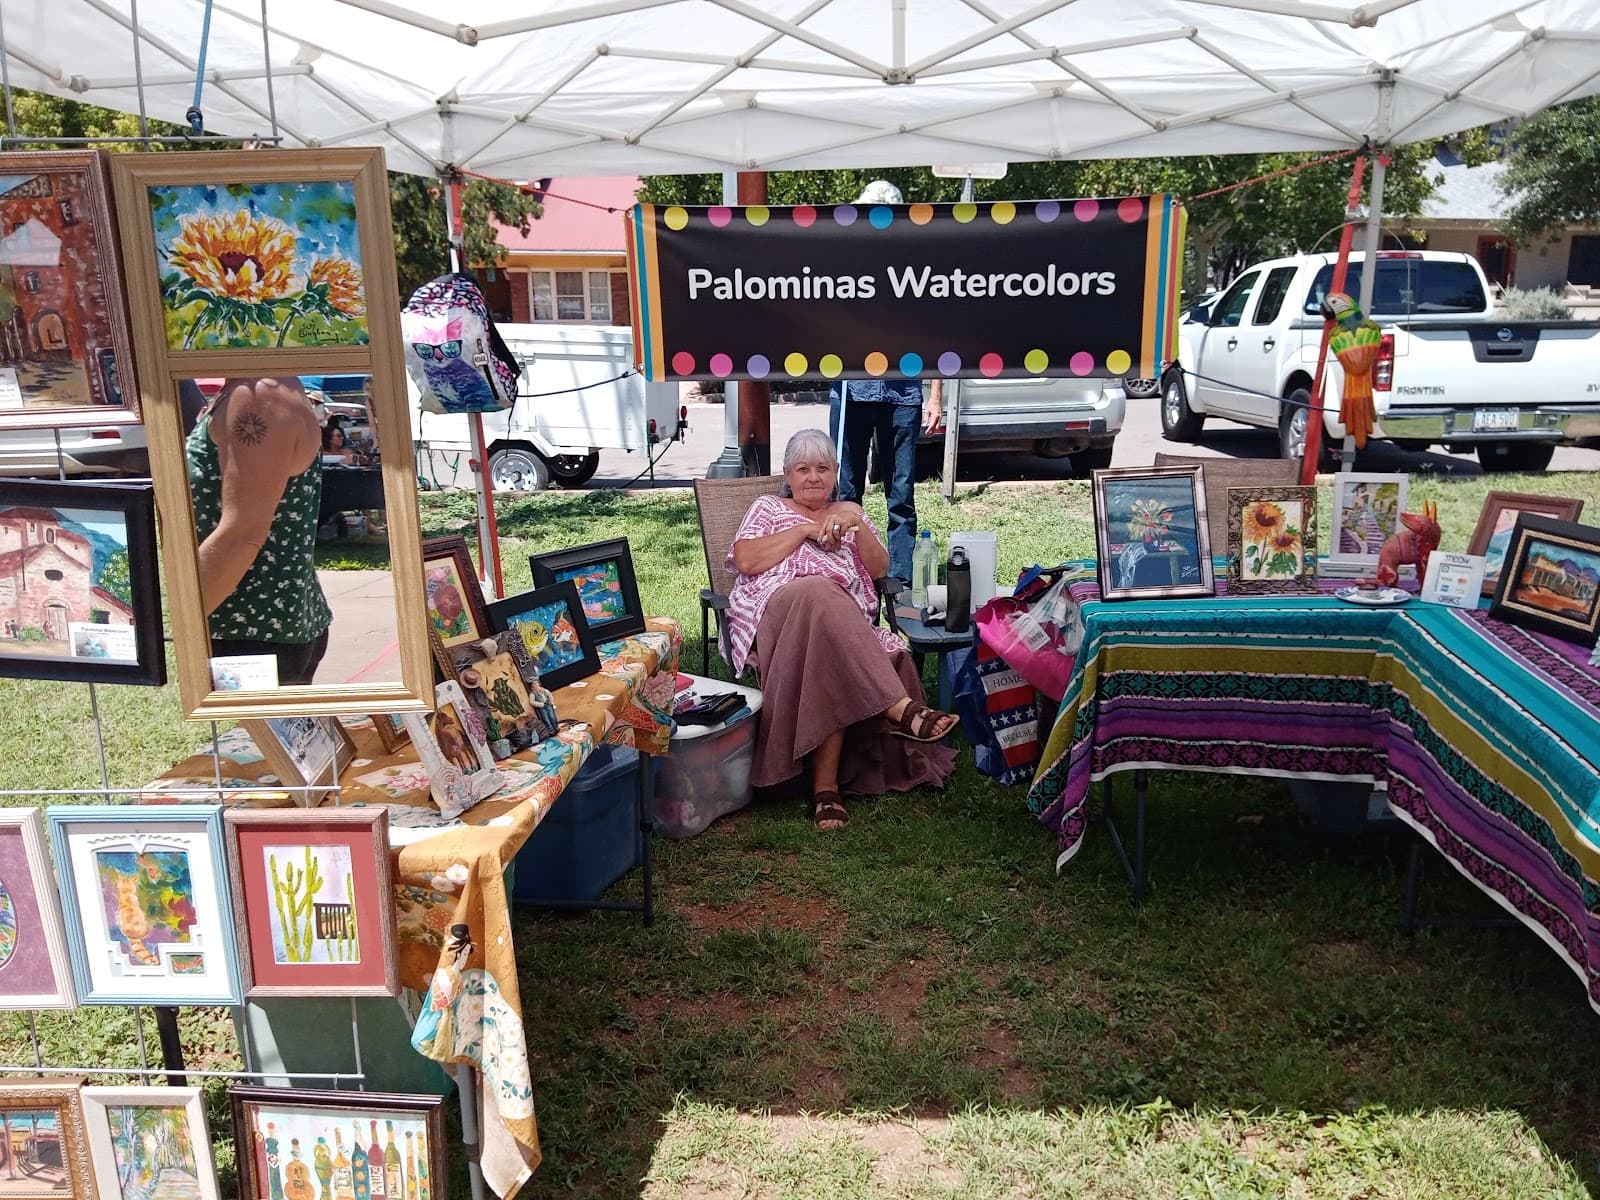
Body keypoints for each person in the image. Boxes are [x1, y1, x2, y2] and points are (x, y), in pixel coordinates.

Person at [726, 429, 958, 829]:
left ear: (836, 472)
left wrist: (856, 525)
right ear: (787, 474)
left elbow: (881, 570)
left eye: (822, 468)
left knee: (828, 641)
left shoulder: (849, 510)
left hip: (839, 625)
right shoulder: (767, 507)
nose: (813, 477)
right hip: (777, 611)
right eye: (802, 469)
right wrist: (803, 530)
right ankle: (897, 707)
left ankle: (826, 791)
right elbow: (746, 560)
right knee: (818, 589)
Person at [827, 180, 943, 581]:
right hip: (851, 390)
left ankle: (902, 584)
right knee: (846, 491)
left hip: (902, 394)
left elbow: (933, 337)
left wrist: (935, 396)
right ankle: (849, 573)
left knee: (901, 495)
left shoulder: (917, 267)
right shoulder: (843, 264)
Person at [187, 376, 333, 685]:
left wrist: (172, 623)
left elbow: (241, 534)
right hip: (262, 627)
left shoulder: (258, 395)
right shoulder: (257, 388)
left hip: (246, 633)